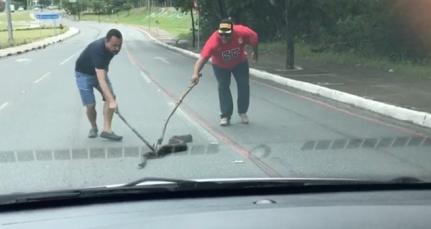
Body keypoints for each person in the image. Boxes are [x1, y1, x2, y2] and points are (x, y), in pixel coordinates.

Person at [191, 19, 258, 126]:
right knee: (223, 86)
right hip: (220, 66)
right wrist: (195, 74)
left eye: (227, 35)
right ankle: (225, 115)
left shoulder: (242, 32)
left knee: (244, 84)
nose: (224, 37)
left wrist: (255, 52)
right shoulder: (213, 41)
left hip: (239, 63)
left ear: (233, 31)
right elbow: (202, 59)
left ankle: (243, 112)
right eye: (222, 34)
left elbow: (254, 38)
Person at [75, 29, 123, 141]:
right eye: (114, 45)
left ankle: (107, 130)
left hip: (99, 71)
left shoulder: (113, 47)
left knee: (111, 97)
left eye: (119, 45)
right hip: (83, 74)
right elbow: (101, 80)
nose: (117, 48)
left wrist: (111, 98)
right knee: (91, 105)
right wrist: (111, 102)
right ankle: (94, 127)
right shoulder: (98, 50)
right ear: (106, 41)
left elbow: (103, 72)